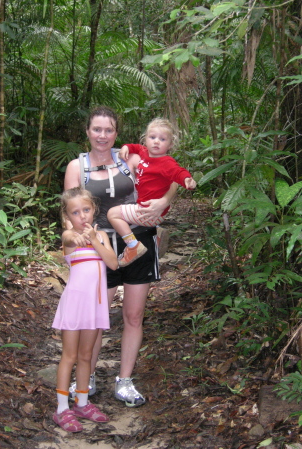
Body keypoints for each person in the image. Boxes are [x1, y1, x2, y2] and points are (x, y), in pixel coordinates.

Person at [64, 106, 177, 407]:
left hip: (139, 241)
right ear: (87, 131)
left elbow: (171, 174)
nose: (103, 136)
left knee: (133, 315)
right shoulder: (77, 167)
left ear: (116, 132)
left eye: (109, 130)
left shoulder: (129, 157)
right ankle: (86, 377)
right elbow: (70, 213)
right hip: (98, 247)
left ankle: (125, 381)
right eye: (97, 129)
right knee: (96, 317)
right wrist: (72, 247)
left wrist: (162, 203)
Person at [52, 187, 118, 432]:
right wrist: (77, 236)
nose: (83, 216)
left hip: (94, 305)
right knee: (69, 355)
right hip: (75, 305)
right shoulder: (69, 236)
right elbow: (69, 239)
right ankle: (61, 408)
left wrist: (94, 239)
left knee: (86, 356)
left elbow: (112, 263)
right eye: (76, 212)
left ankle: (81, 402)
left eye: (86, 210)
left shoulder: (101, 237)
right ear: (68, 216)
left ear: (94, 210)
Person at [107, 118, 197, 267]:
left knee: (112, 214)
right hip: (146, 208)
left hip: (149, 211)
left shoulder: (166, 162)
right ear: (145, 139)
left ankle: (133, 246)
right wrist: (126, 147)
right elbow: (134, 147)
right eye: (152, 137)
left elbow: (178, 172)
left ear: (170, 145)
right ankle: (157, 234)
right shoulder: (144, 152)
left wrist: (187, 179)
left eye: (162, 139)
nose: (156, 142)